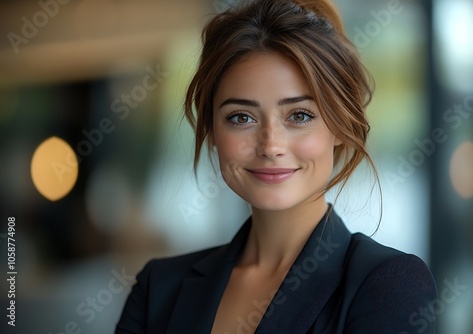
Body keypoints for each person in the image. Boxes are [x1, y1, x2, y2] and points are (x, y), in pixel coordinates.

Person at [115, 0, 437, 333]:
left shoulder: (387, 284)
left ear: (340, 126)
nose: (270, 146)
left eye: (299, 116)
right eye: (241, 117)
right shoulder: (159, 288)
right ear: (212, 130)